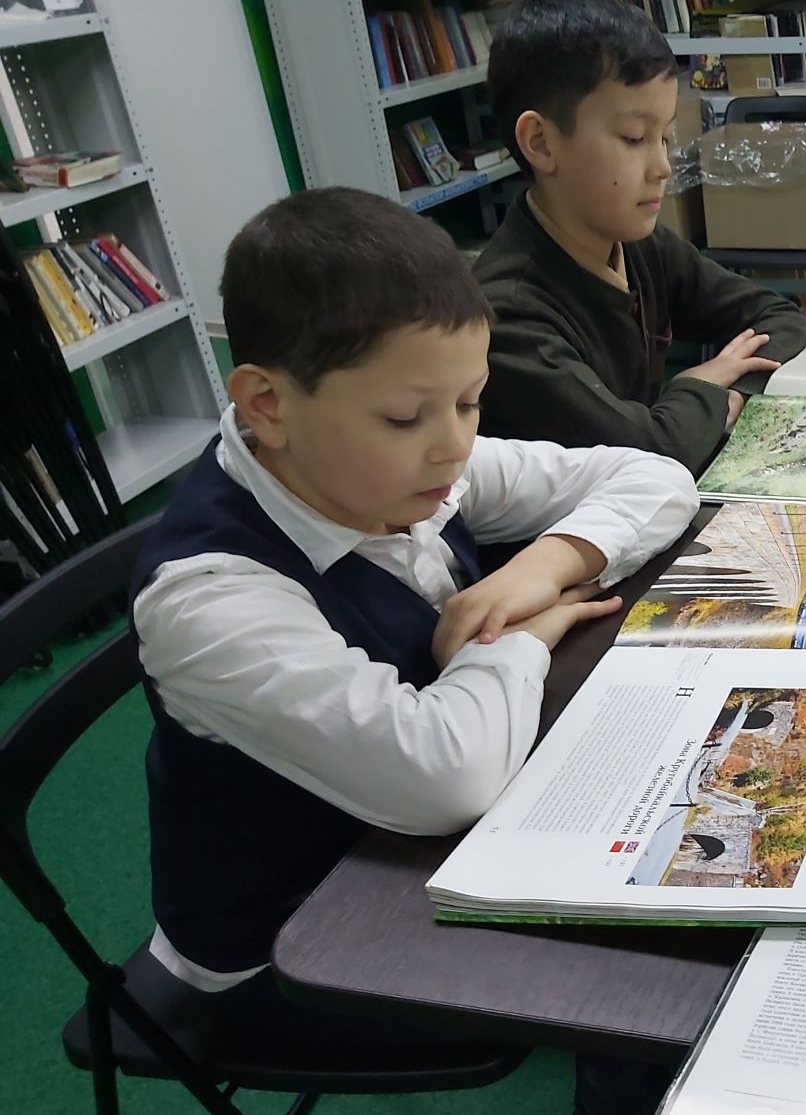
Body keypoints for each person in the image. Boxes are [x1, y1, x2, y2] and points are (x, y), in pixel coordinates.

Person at [130, 186, 697, 1113]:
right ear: (267, 405)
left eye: (471, 402)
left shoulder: (386, 467)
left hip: (403, 845)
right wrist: (521, 638)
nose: (454, 447)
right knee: (647, 967)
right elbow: (445, 777)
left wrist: (545, 563)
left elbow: (657, 477)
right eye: (407, 417)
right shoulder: (209, 599)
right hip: (296, 941)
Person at [474, 0, 806, 472]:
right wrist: (699, 390)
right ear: (540, 142)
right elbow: (649, 453)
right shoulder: (507, 318)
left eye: (665, 138)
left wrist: (724, 393)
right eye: (634, 138)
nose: (663, 167)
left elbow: (779, 319)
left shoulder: (635, 246)